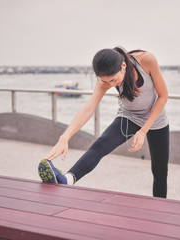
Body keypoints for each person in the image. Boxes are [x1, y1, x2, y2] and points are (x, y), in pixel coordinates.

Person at [38, 46, 169, 198]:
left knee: (160, 171)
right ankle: (67, 180)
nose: (111, 85)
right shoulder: (104, 82)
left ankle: (160, 209)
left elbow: (163, 96)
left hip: (156, 119)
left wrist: (144, 130)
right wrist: (64, 138)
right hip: (129, 117)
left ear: (123, 66)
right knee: (100, 145)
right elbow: (89, 109)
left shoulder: (146, 60)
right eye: (106, 81)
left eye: (114, 80)